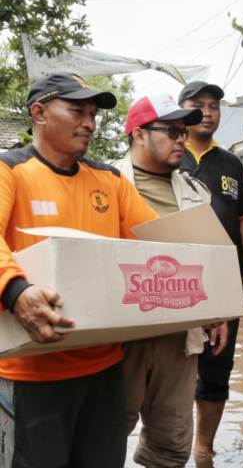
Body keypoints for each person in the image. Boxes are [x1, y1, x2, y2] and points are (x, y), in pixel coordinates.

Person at [0, 73, 158, 466]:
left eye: (93, 113)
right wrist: (15, 289)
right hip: (30, 372)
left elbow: (156, 242)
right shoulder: (10, 171)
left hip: (104, 369)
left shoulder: (110, 180)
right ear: (39, 112)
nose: (90, 122)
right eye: (77, 110)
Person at [117, 92, 228, 467]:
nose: (182, 138)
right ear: (137, 134)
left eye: (184, 130)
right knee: (108, 432)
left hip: (179, 336)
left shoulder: (196, 191)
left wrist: (218, 313)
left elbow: (208, 255)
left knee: (171, 443)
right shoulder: (105, 182)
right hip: (121, 335)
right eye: (171, 131)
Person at [178, 81, 243, 459]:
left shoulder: (231, 163)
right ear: (182, 109)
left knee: (216, 365)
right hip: (174, 278)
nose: (208, 112)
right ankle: (172, 442)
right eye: (199, 105)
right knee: (174, 363)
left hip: (225, 279)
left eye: (214, 106)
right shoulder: (168, 155)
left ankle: (203, 448)